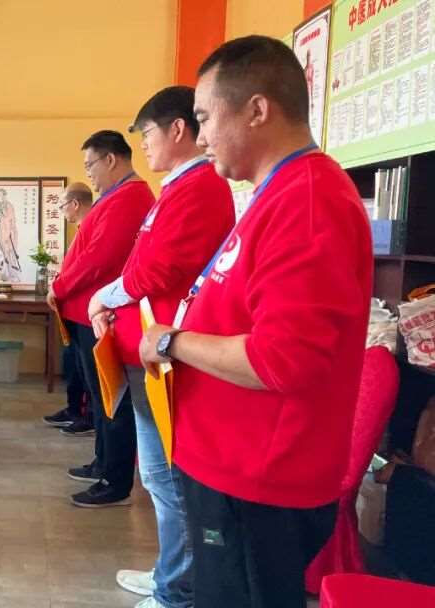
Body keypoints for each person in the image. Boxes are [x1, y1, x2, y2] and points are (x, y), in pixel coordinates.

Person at [139, 36, 371, 607]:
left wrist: (172, 341)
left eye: (204, 118)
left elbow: (281, 360)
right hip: (231, 468)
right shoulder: (278, 192)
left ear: (257, 110)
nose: (201, 137)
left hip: (259, 480)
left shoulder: (309, 200)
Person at [88, 86, 235, 608]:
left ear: (177, 129)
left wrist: (105, 295)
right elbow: (143, 265)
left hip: (168, 355)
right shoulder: (178, 187)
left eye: (147, 133)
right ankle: (169, 574)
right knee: (157, 477)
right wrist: (114, 303)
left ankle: (178, 591)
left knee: (168, 478)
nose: (144, 145)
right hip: (147, 351)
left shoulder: (200, 187)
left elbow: (159, 270)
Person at [48, 130, 155, 508]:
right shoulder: (116, 197)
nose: (89, 174)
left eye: (90, 165)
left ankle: (115, 479)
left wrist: (60, 286)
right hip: (85, 312)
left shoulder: (130, 198)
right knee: (99, 396)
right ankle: (102, 461)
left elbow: (99, 259)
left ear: (111, 159)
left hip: (101, 316)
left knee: (113, 399)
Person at [42, 183, 95, 437]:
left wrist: (57, 288)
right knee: (73, 365)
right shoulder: (83, 228)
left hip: (86, 311)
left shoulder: (92, 226)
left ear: (75, 204)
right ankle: (74, 410)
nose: (62, 211)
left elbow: (86, 268)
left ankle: (88, 415)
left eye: (63, 206)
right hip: (71, 309)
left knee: (87, 370)